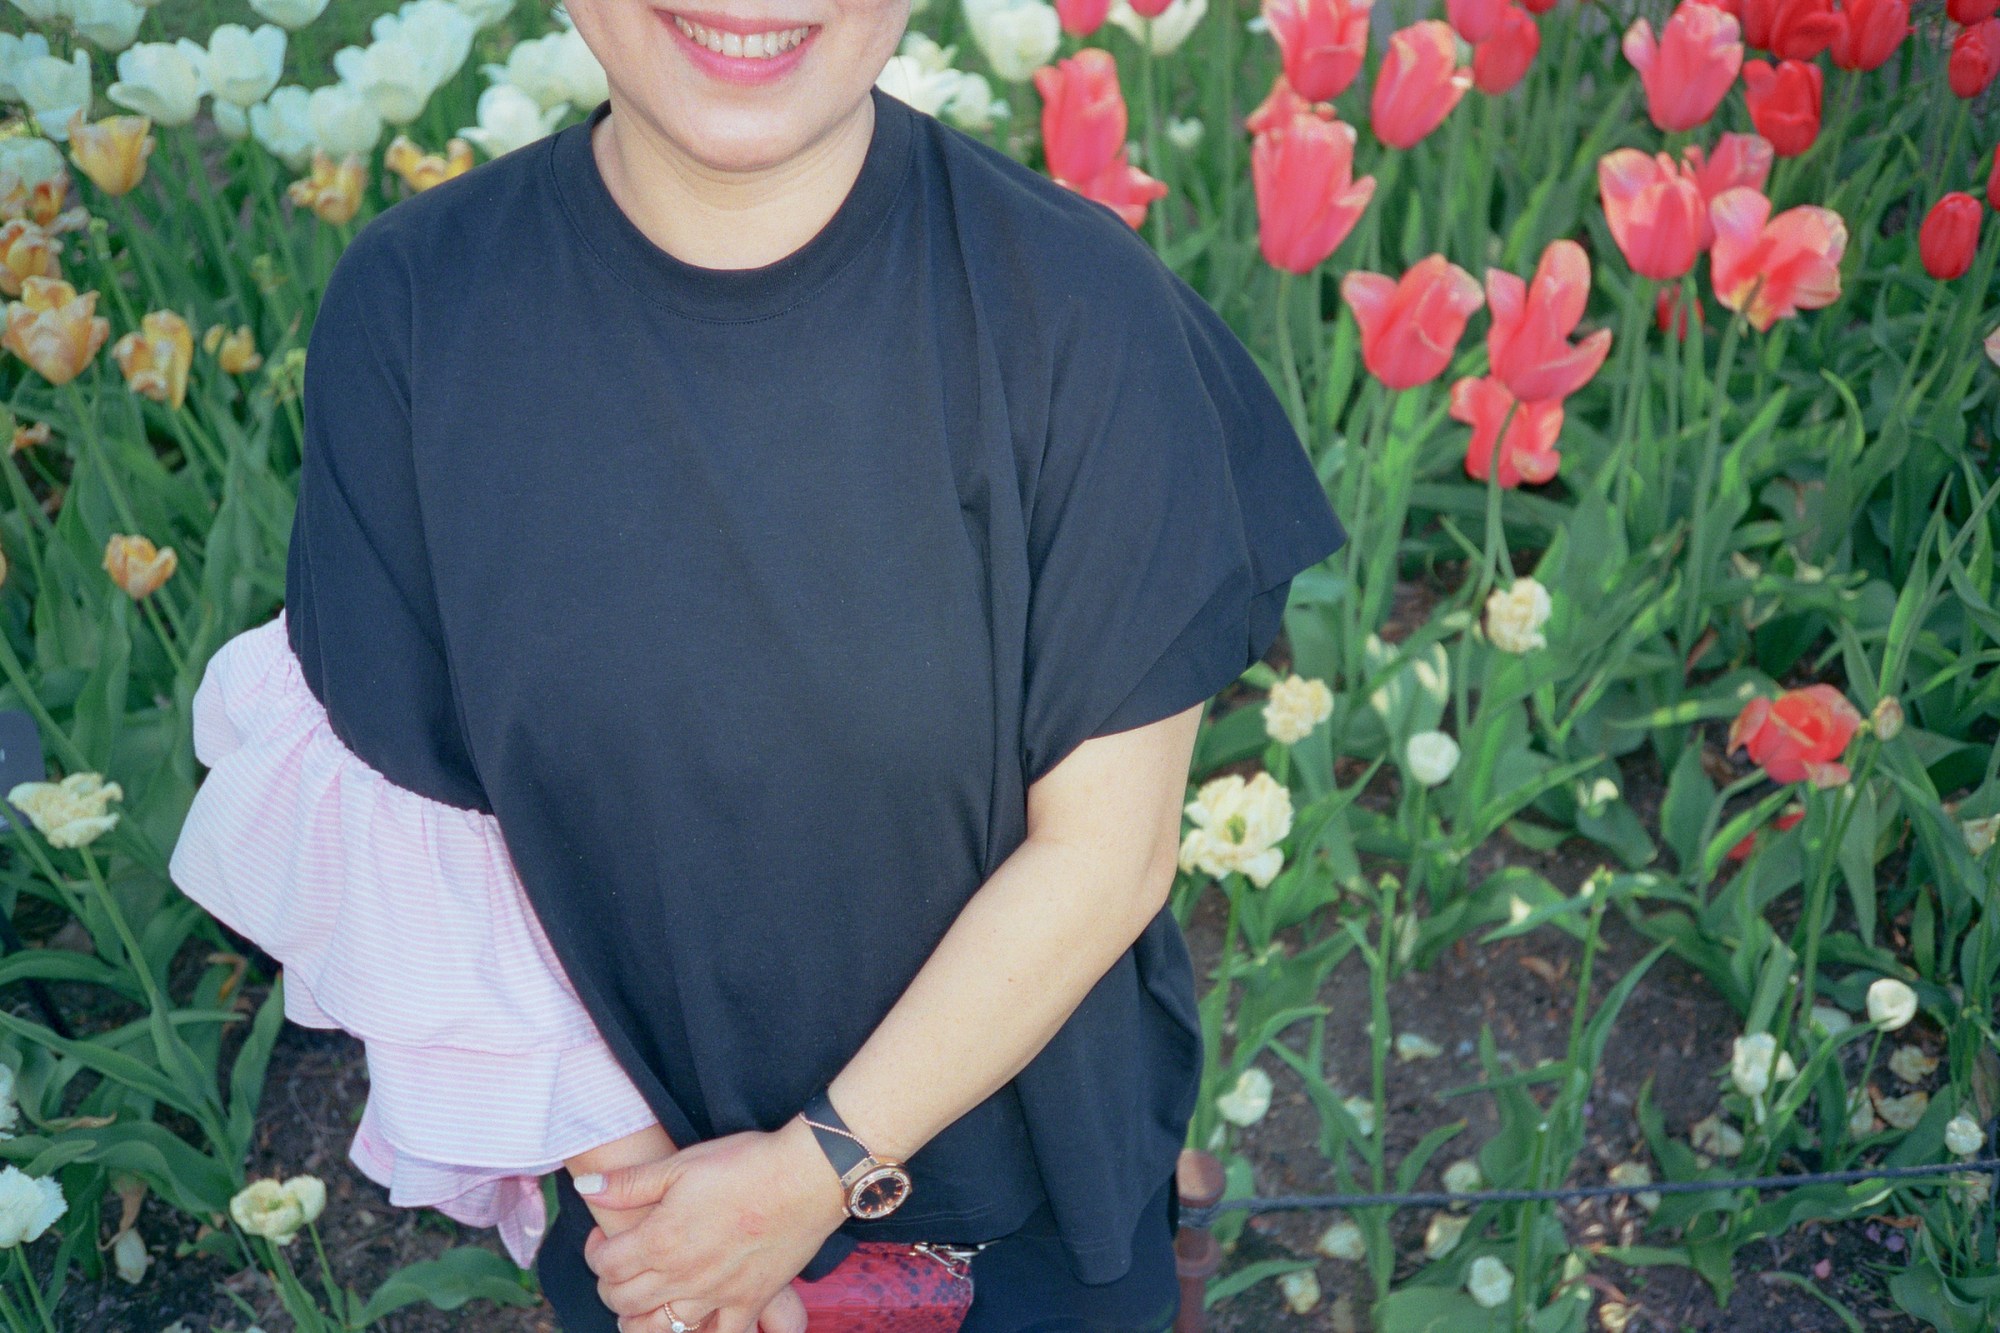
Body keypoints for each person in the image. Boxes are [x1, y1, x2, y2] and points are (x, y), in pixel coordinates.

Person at [167, 0, 1346, 1329]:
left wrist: (808, 1178)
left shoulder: (1075, 313)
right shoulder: (421, 311)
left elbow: (1106, 855)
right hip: (650, 1230)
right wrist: (679, 1231)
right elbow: (420, 831)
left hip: (1022, 1231)